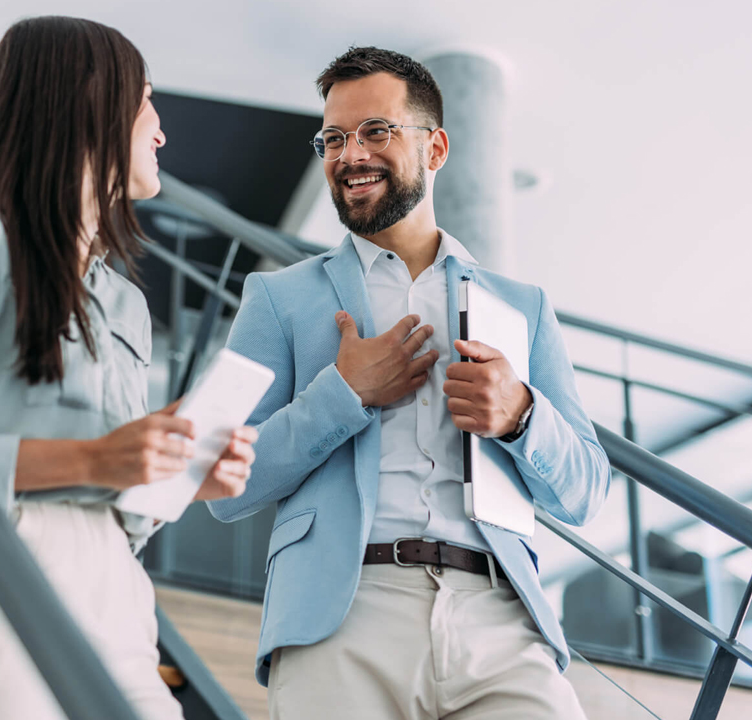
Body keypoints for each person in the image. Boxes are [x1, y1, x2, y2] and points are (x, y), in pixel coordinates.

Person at [0, 16, 257, 720]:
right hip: (3, 572)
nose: (160, 131)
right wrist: (93, 459)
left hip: (121, 596)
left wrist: (176, 476)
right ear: (92, 102)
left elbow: (118, 500)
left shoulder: (125, 302)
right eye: (147, 101)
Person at [208, 47, 609, 719]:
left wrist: (519, 415)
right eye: (332, 138)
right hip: (339, 616)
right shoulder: (276, 298)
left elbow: (587, 491)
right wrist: (345, 394)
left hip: (500, 621)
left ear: (437, 147)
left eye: (375, 131)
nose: (348, 154)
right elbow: (224, 484)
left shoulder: (523, 306)